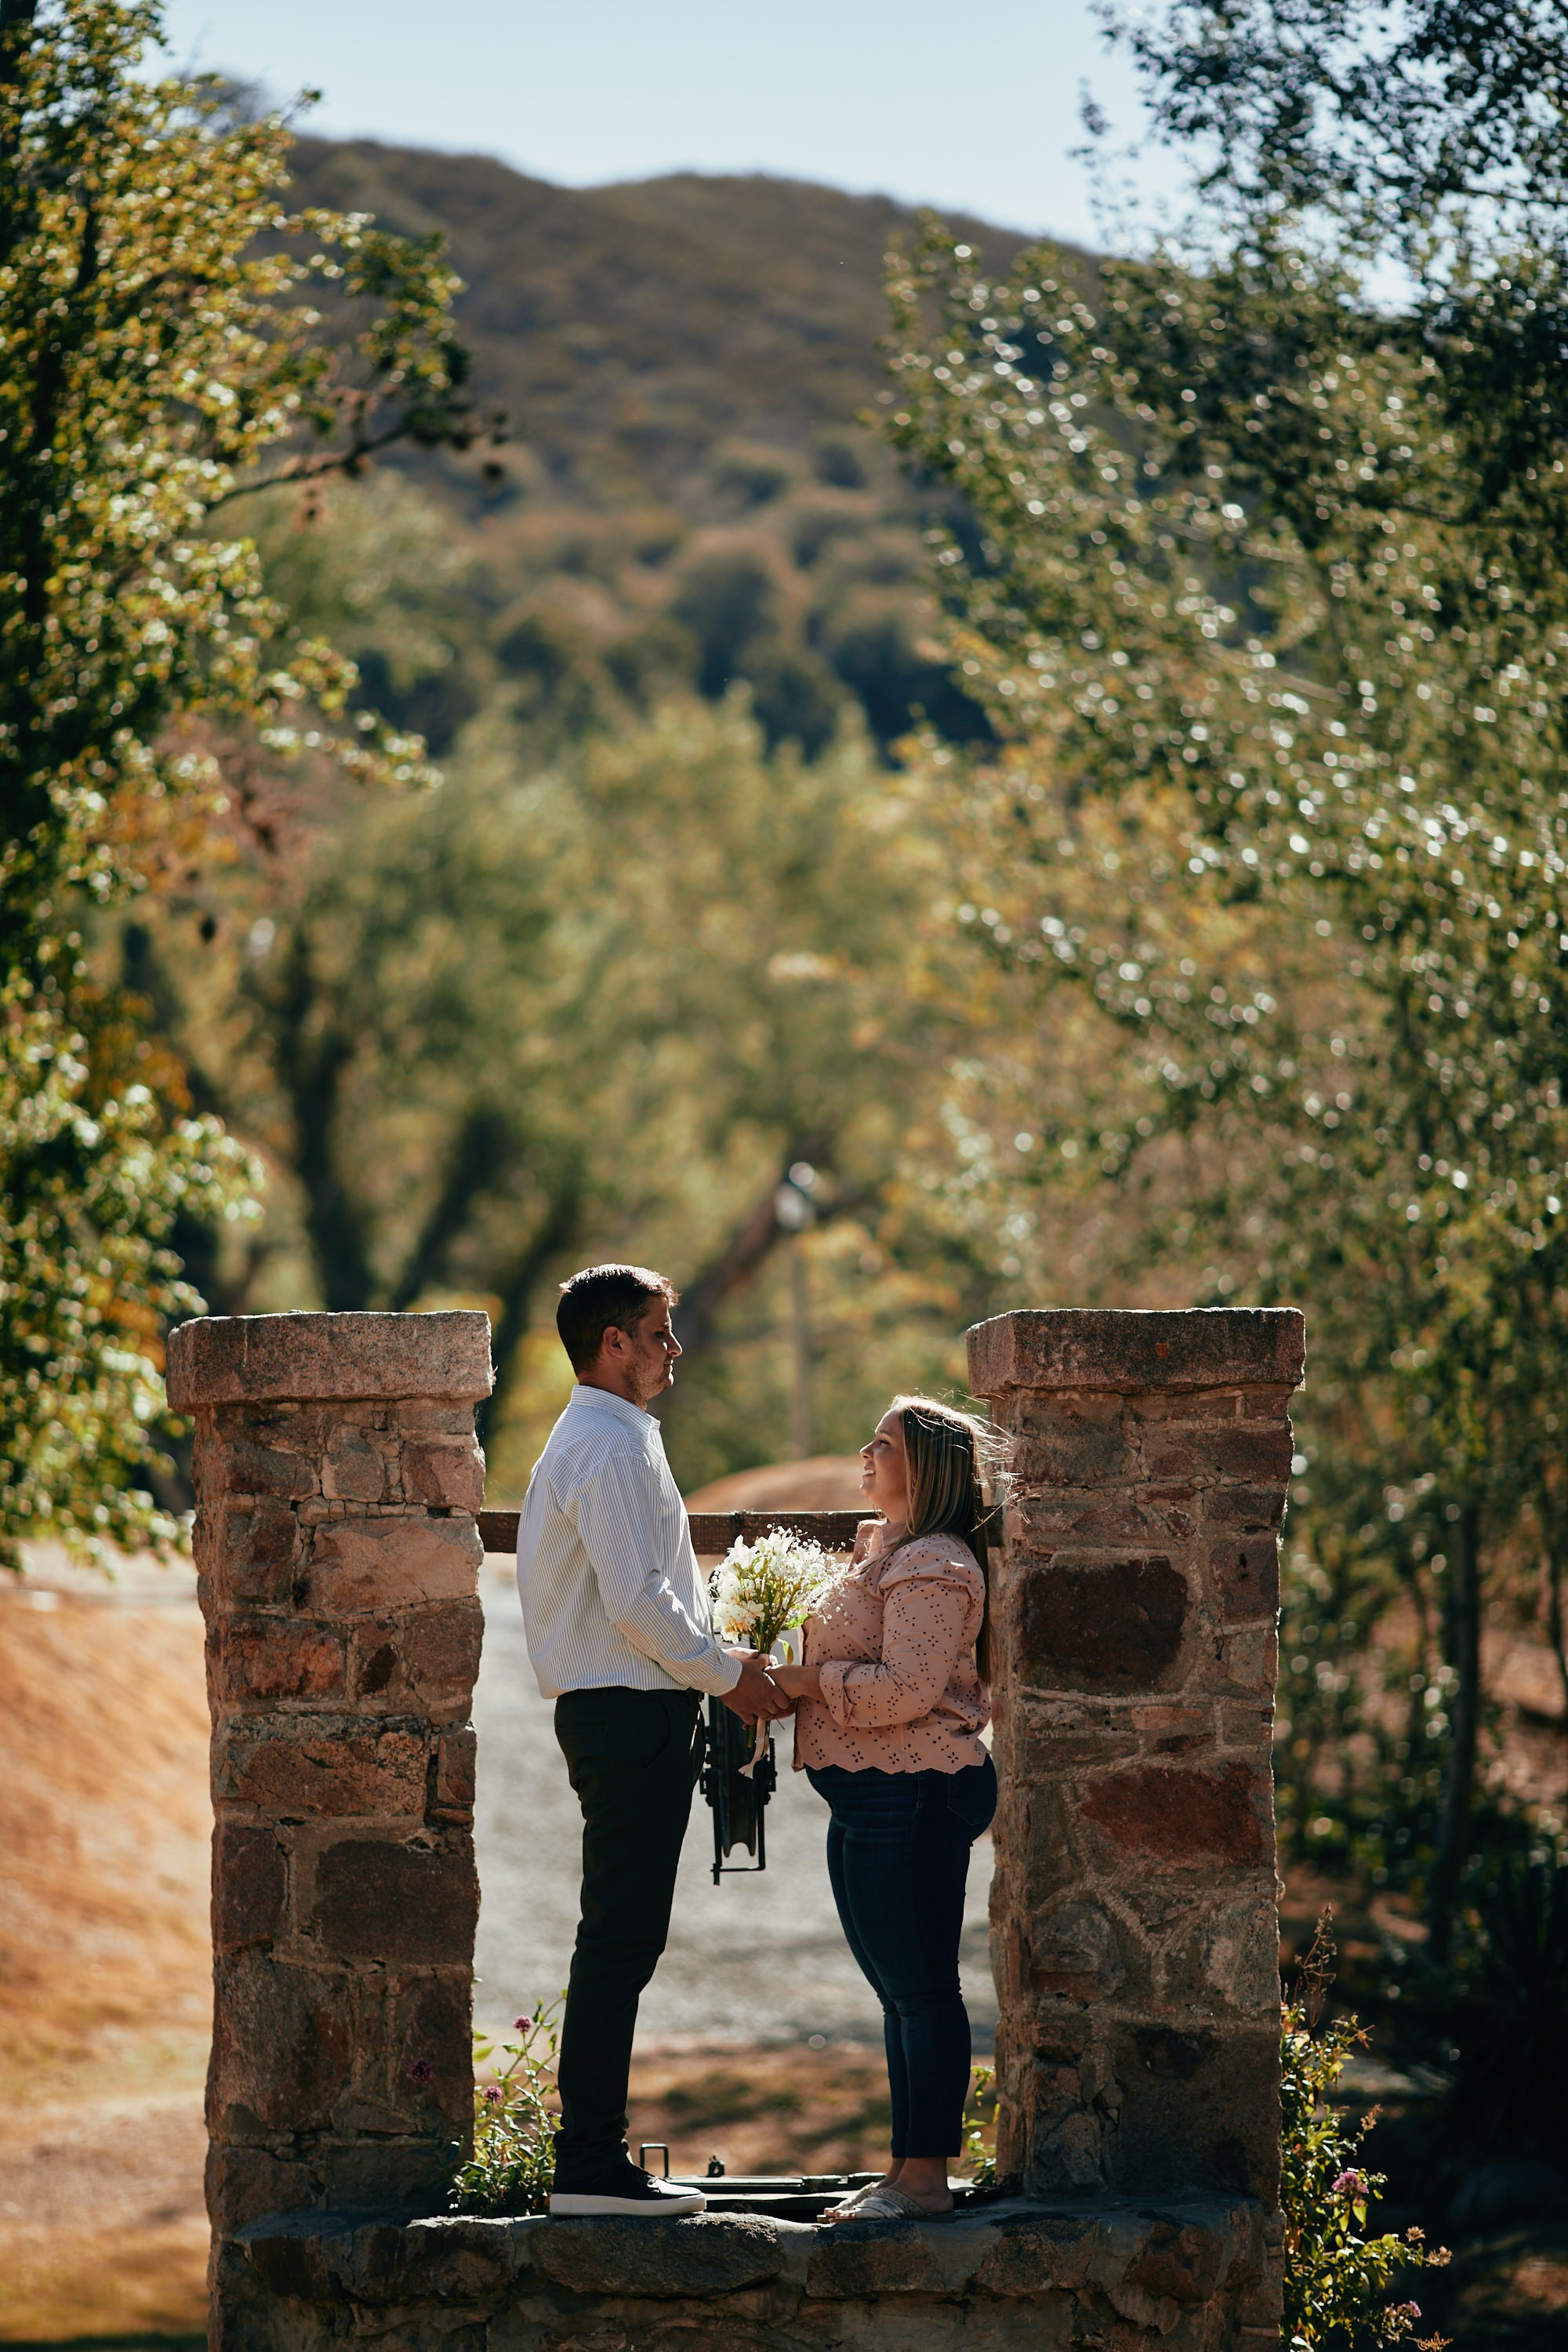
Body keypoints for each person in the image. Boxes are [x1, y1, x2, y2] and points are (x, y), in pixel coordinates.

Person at [517, 1261, 788, 2217]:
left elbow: (644, 1590)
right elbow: (636, 1601)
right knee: (620, 1938)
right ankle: (589, 2167)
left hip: (623, 1709)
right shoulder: (609, 1447)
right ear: (612, 1343)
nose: (674, 1347)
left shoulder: (609, 1438)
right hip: (625, 1712)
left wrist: (713, 1657)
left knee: (622, 1936)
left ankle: (591, 2158)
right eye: (658, 1331)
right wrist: (729, 1675)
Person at [768, 1394, 1001, 2222]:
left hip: (913, 1793)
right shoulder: (888, 1551)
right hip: (871, 1797)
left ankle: (925, 2182)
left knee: (921, 1990)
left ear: (927, 1469)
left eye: (885, 1445)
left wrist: (803, 1684)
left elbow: (907, 1690)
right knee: (899, 1991)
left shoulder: (933, 1563)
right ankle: (905, 2173)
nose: (866, 1454)